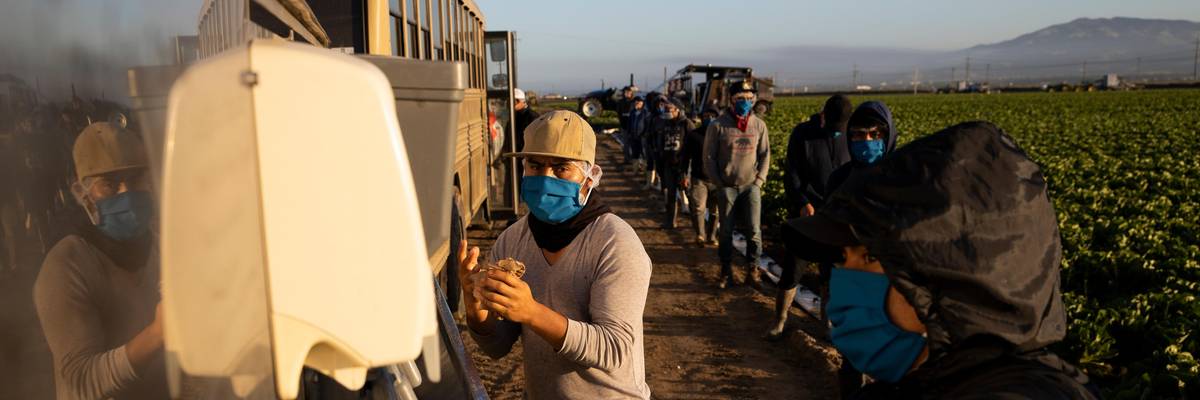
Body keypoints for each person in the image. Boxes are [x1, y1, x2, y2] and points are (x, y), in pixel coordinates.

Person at [787, 121, 1099, 399]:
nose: (843, 275)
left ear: (940, 278)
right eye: (842, 258)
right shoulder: (921, 383)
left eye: (867, 256)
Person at [460, 110, 653, 399]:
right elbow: (498, 347)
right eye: (535, 166)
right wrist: (476, 307)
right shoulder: (513, 240)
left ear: (589, 177)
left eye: (561, 168)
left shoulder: (615, 243)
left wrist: (532, 312)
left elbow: (613, 349)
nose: (544, 177)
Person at [34, 122, 168, 400]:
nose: (125, 192)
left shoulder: (156, 244)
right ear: (84, 195)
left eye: (135, 179)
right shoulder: (66, 265)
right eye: (108, 183)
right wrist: (158, 333)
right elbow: (82, 382)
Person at [766, 95, 855, 340]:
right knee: (793, 270)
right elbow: (791, 174)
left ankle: (828, 326)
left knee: (830, 273)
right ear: (823, 116)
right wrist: (803, 201)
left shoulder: (849, 137)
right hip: (807, 216)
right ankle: (780, 320)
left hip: (836, 217)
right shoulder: (803, 134)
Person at [703, 81, 770, 289]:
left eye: (749, 98)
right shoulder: (718, 125)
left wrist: (759, 181)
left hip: (751, 186)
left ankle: (753, 269)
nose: (745, 102)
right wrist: (719, 183)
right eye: (740, 98)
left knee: (754, 230)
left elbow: (765, 154)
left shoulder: (758, 125)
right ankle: (725, 270)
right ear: (731, 100)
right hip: (727, 187)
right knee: (726, 231)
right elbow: (709, 157)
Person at [680, 106, 720, 245]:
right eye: (706, 116)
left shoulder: (721, 135)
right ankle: (700, 235)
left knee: (716, 210)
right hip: (699, 177)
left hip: (717, 179)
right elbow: (685, 156)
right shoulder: (694, 135)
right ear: (701, 118)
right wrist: (684, 174)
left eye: (712, 116)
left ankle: (712, 235)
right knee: (698, 208)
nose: (709, 119)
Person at [651, 98, 694, 228]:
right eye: (665, 108)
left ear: (677, 109)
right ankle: (671, 222)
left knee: (690, 194)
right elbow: (659, 142)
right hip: (668, 164)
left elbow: (693, 144)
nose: (666, 111)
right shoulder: (664, 123)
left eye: (669, 109)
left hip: (684, 166)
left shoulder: (686, 124)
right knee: (671, 194)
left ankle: (696, 223)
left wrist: (687, 166)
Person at [512, 88, 540, 161]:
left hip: (525, 158)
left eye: (512, 102)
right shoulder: (513, 115)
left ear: (518, 101)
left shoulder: (532, 117)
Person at [624, 96, 648, 167]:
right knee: (635, 153)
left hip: (642, 137)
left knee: (643, 152)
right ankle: (635, 168)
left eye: (639, 102)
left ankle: (644, 168)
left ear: (642, 103)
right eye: (636, 102)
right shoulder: (632, 112)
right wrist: (629, 133)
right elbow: (629, 123)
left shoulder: (645, 113)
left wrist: (644, 134)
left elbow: (647, 125)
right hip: (633, 136)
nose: (637, 103)